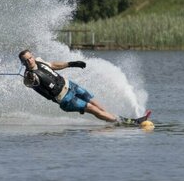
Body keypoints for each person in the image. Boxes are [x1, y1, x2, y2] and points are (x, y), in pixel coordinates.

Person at [18, 49, 150, 125]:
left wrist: (71, 64)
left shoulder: (39, 60)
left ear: (32, 56)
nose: (30, 60)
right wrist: (29, 78)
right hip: (65, 99)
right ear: (23, 63)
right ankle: (126, 122)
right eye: (26, 60)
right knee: (91, 108)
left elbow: (52, 65)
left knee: (93, 101)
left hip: (71, 85)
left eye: (30, 57)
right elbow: (28, 83)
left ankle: (116, 119)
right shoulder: (29, 76)